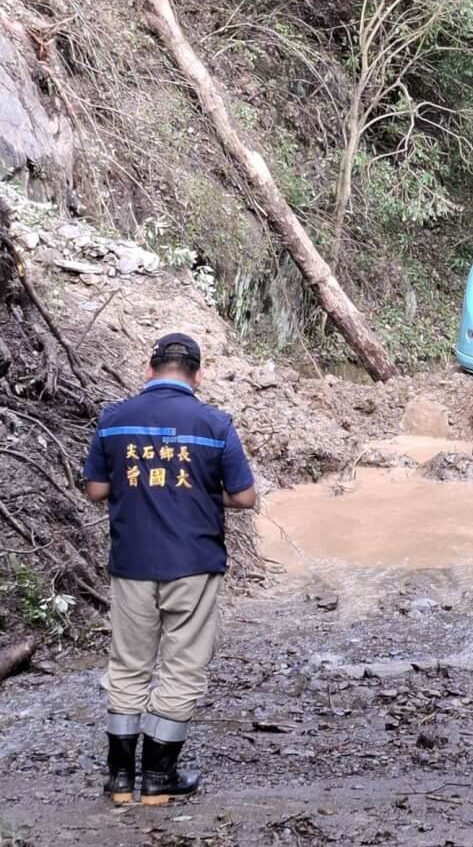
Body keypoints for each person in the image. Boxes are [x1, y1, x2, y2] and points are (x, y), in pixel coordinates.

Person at [83, 332, 256, 806]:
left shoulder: (114, 420)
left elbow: (96, 489)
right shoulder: (214, 424)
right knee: (182, 669)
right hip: (193, 565)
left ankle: (119, 779)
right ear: (198, 375)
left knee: (128, 665)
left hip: (132, 562)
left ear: (149, 368)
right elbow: (244, 497)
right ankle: (158, 779)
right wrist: (200, 491)